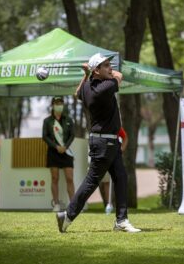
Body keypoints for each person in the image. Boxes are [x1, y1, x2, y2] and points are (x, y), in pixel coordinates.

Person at [56, 53, 141, 233]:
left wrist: (86, 74)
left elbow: (77, 93)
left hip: (109, 142)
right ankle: (68, 215)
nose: (110, 68)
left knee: (120, 177)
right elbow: (119, 76)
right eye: (106, 65)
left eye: (110, 64)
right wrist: (94, 72)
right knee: (92, 181)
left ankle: (121, 221)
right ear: (97, 70)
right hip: (104, 143)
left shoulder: (88, 86)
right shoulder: (106, 87)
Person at [42, 96, 75, 212]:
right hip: (53, 152)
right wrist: (56, 147)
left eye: (61, 103)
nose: (59, 105)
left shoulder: (69, 120)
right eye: (56, 103)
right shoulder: (47, 121)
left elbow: (72, 135)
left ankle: (73, 205)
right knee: (54, 178)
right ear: (52, 105)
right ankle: (56, 204)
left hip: (66, 152)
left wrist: (65, 147)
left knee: (70, 178)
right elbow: (44, 136)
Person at [100, 127, 128, 212]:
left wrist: (121, 149)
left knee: (117, 181)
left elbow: (125, 137)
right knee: (105, 182)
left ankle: (116, 205)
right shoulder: (100, 125)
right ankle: (108, 204)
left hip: (115, 155)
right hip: (102, 155)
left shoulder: (116, 125)